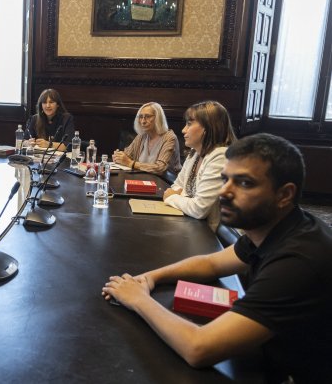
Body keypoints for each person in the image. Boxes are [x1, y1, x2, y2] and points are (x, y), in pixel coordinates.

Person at [103, 133, 332, 383]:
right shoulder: (274, 227)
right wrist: (149, 278)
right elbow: (211, 264)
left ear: (285, 195)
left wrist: (138, 299)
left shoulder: (298, 261)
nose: (224, 192)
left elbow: (198, 348)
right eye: (225, 179)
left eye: (244, 183)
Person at [163, 100, 236, 231]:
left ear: (207, 127)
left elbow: (199, 209)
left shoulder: (220, 157)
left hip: (213, 236)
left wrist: (173, 197)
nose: (183, 130)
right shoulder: (195, 153)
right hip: (192, 225)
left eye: (189, 124)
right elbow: (177, 185)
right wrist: (181, 197)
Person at [112, 102, 181, 175]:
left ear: (158, 118)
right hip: (144, 179)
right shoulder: (142, 136)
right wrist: (119, 157)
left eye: (148, 116)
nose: (143, 121)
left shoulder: (169, 137)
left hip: (166, 182)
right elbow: (127, 155)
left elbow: (160, 168)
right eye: (141, 117)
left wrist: (131, 163)